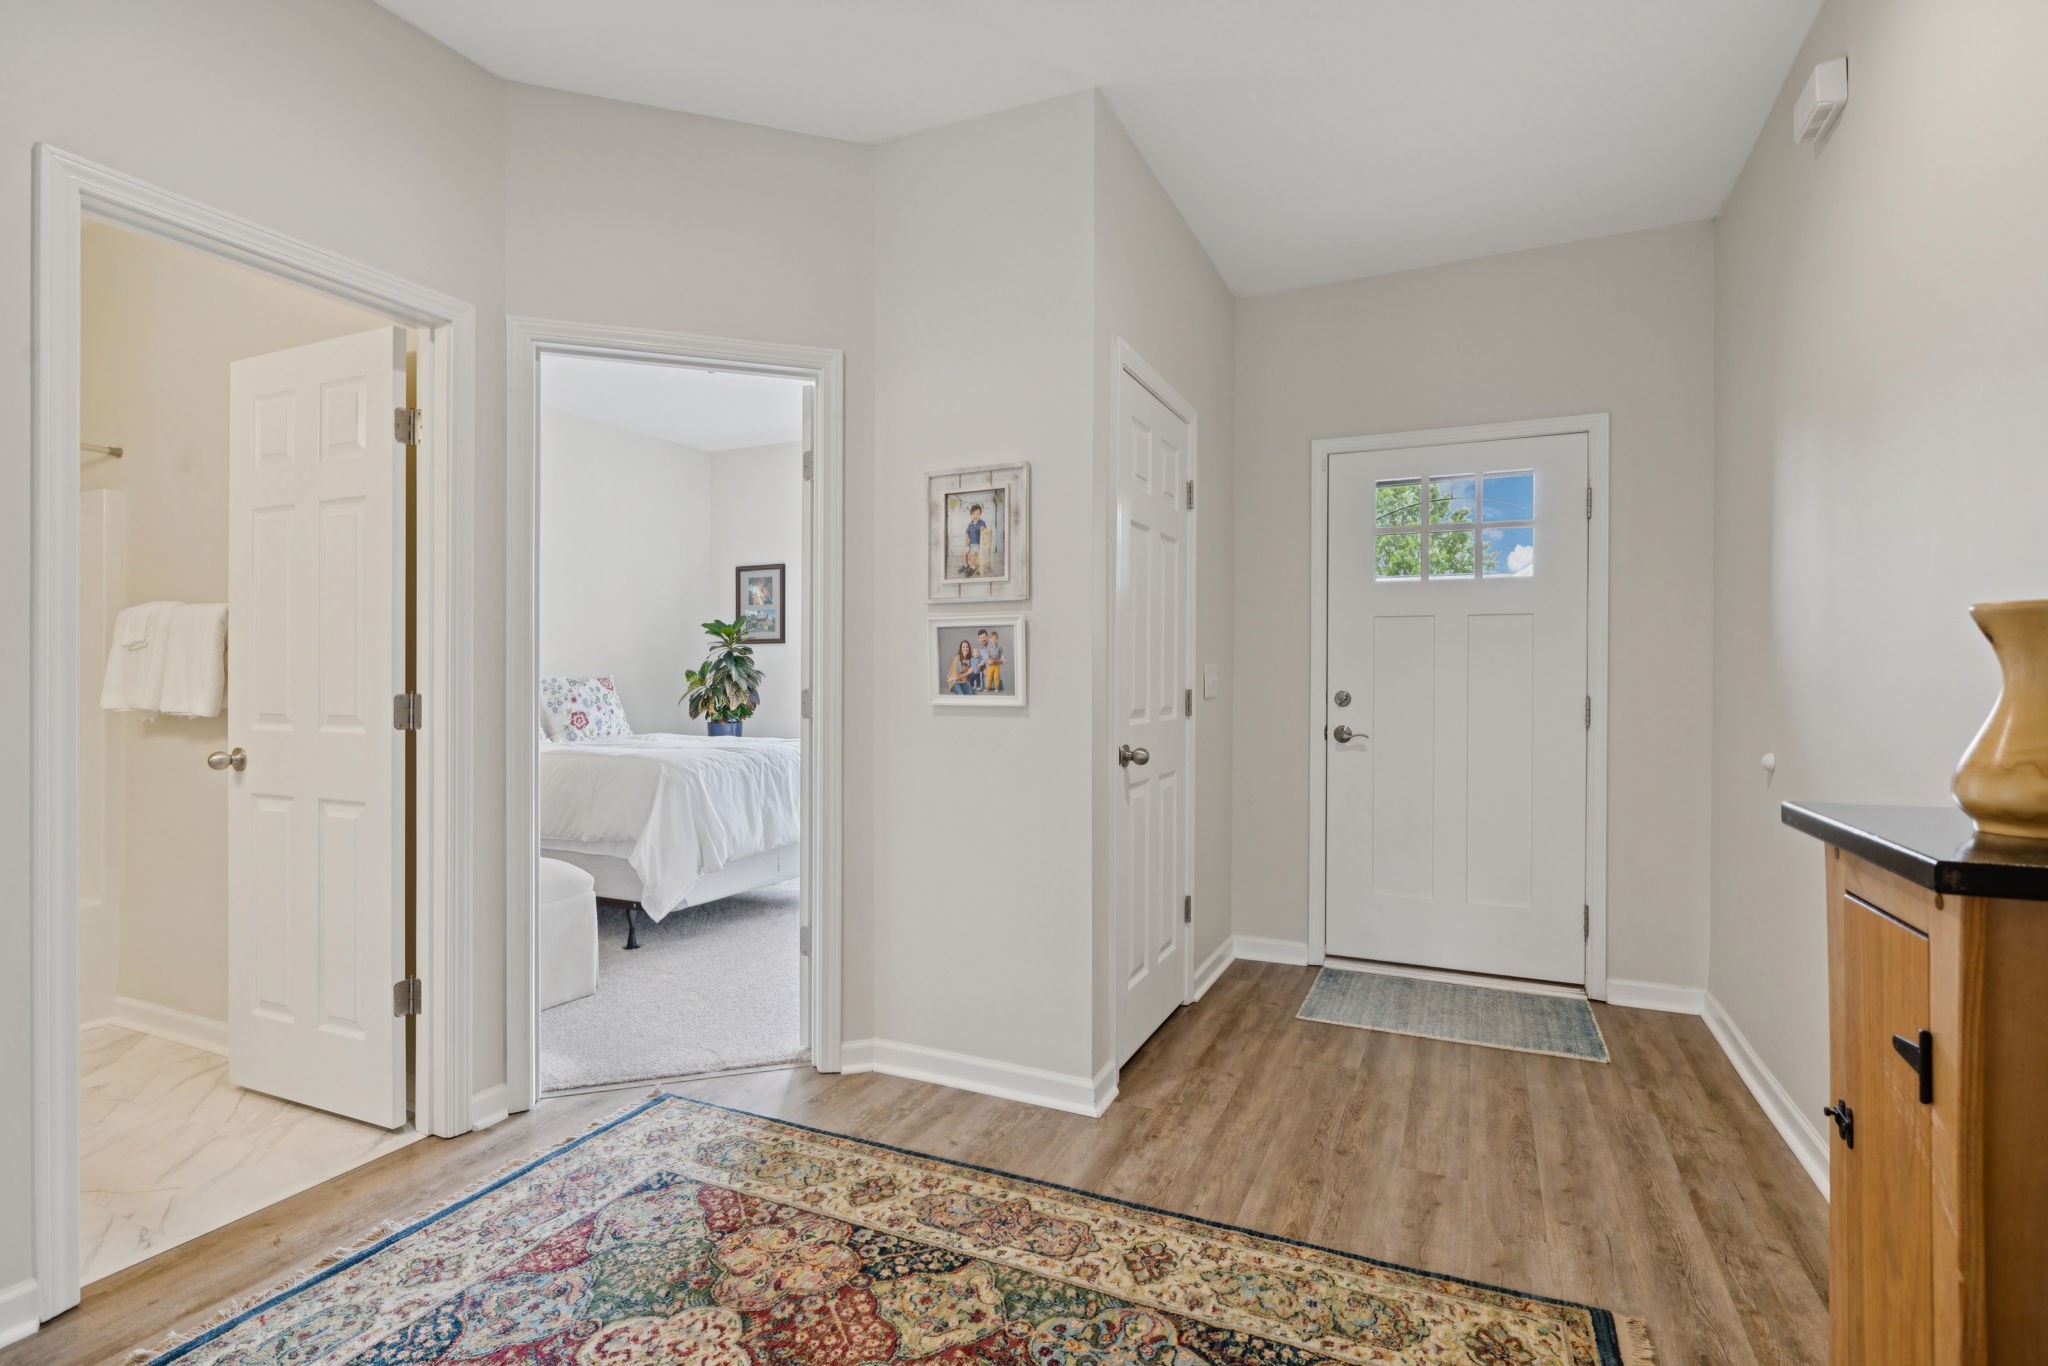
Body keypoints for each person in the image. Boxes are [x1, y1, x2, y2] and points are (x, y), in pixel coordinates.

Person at [962, 502, 987, 577]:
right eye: (973, 514)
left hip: (978, 544)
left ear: (980, 514)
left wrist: (983, 529)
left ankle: (973, 567)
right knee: (963, 552)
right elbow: (967, 533)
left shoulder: (981, 522)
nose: (975, 516)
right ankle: (966, 565)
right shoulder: (970, 524)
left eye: (977, 514)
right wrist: (966, 541)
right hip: (970, 544)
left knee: (971, 553)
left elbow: (985, 530)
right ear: (970, 515)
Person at [982, 629, 1004, 694]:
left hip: (997, 665)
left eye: (995, 638)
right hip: (990, 665)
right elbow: (987, 655)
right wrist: (989, 660)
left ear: (997, 639)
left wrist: (1002, 659)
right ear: (990, 639)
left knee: (996, 677)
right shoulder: (989, 646)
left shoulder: (999, 647)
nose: (994, 640)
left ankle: (996, 687)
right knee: (989, 676)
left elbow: (1001, 656)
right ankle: (987, 687)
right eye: (992, 638)